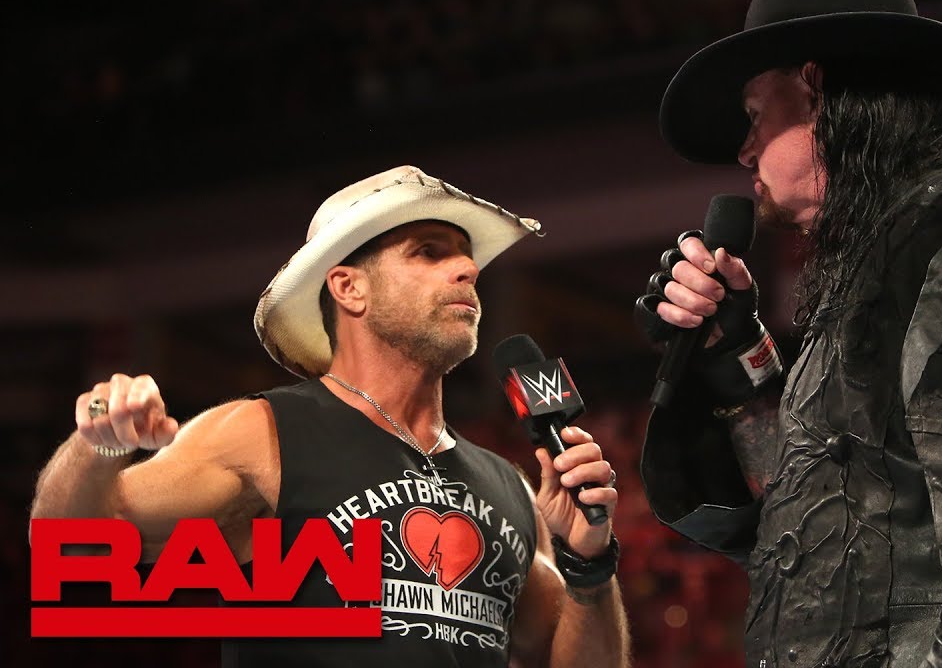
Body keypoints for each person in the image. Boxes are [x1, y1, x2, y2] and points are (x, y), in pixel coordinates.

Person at [634, 0, 942, 668]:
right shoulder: (886, 256)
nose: (744, 149)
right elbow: (808, 530)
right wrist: (733, 352)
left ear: (814, 89)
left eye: (756, 115)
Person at [31, 165, 631, 668]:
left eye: (466, 256)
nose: (468, 269)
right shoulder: (264, 433)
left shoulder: (511, 488)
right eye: (428, 252)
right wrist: (98, 444)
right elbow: (69, 550)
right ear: (349, 289)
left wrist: (589, 566)